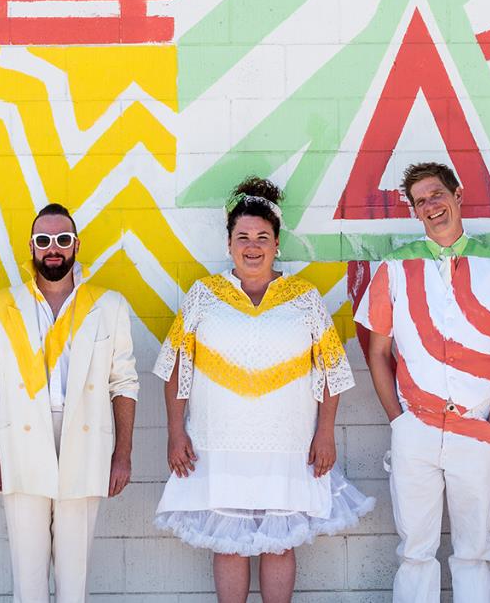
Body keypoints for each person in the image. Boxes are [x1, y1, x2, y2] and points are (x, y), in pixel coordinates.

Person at [153, 177, 374, 603]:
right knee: (229, 541)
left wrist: (325, 432)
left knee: (279, 541)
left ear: (276, 244)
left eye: (262, 237)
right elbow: (177, 365)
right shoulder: (204, 295)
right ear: (229, 243)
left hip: (287, 442)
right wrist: (175, 431)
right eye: (243, 237)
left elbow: (331, 371)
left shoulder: (303, 298)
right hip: (218, 441)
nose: (252, 245)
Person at [355, 161, 490, 603]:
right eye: (421, 202)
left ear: (458, 195)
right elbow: (378, 352)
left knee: (475, 550)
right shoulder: (395, 267)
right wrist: (398, 420)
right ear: (416, 213)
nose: (431, 206)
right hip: (415, 427)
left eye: (437, 195)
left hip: (475, 426)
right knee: (415, 551)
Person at [0, 202, 139, 603]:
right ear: (31, 246)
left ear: (76, 245)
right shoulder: (1, 306)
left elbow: (124, 383)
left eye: (63, 240)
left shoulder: (110, 305)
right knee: (27, 579)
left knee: (73, 580)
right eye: (44, 240)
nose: (54, 248)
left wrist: (123, 454)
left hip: (86, 445)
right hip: (21, 445)